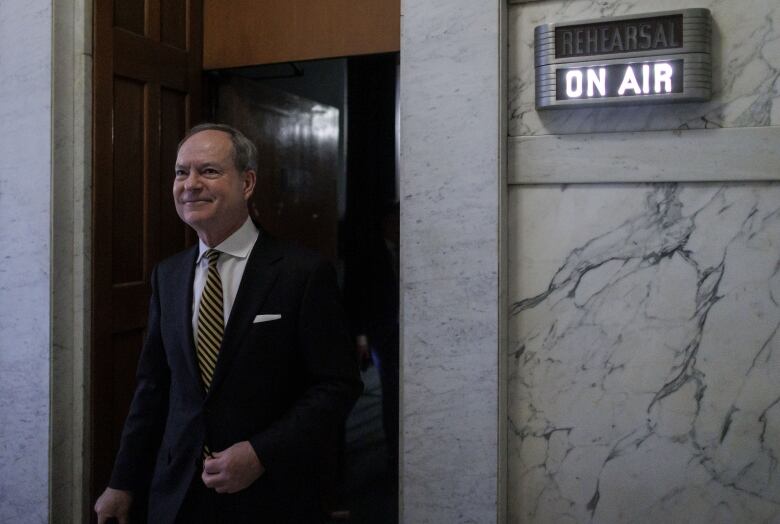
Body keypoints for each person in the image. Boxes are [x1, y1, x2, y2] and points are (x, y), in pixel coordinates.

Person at [94, 123, 362, 523]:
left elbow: (338, 385)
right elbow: (153, 387)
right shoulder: (167, 276)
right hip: (177, 495)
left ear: (247, 182)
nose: (190, 184)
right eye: (181, 172)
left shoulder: (301, 273)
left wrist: (261, 453)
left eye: (209, 171)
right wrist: (122, 482)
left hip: (270, 497)